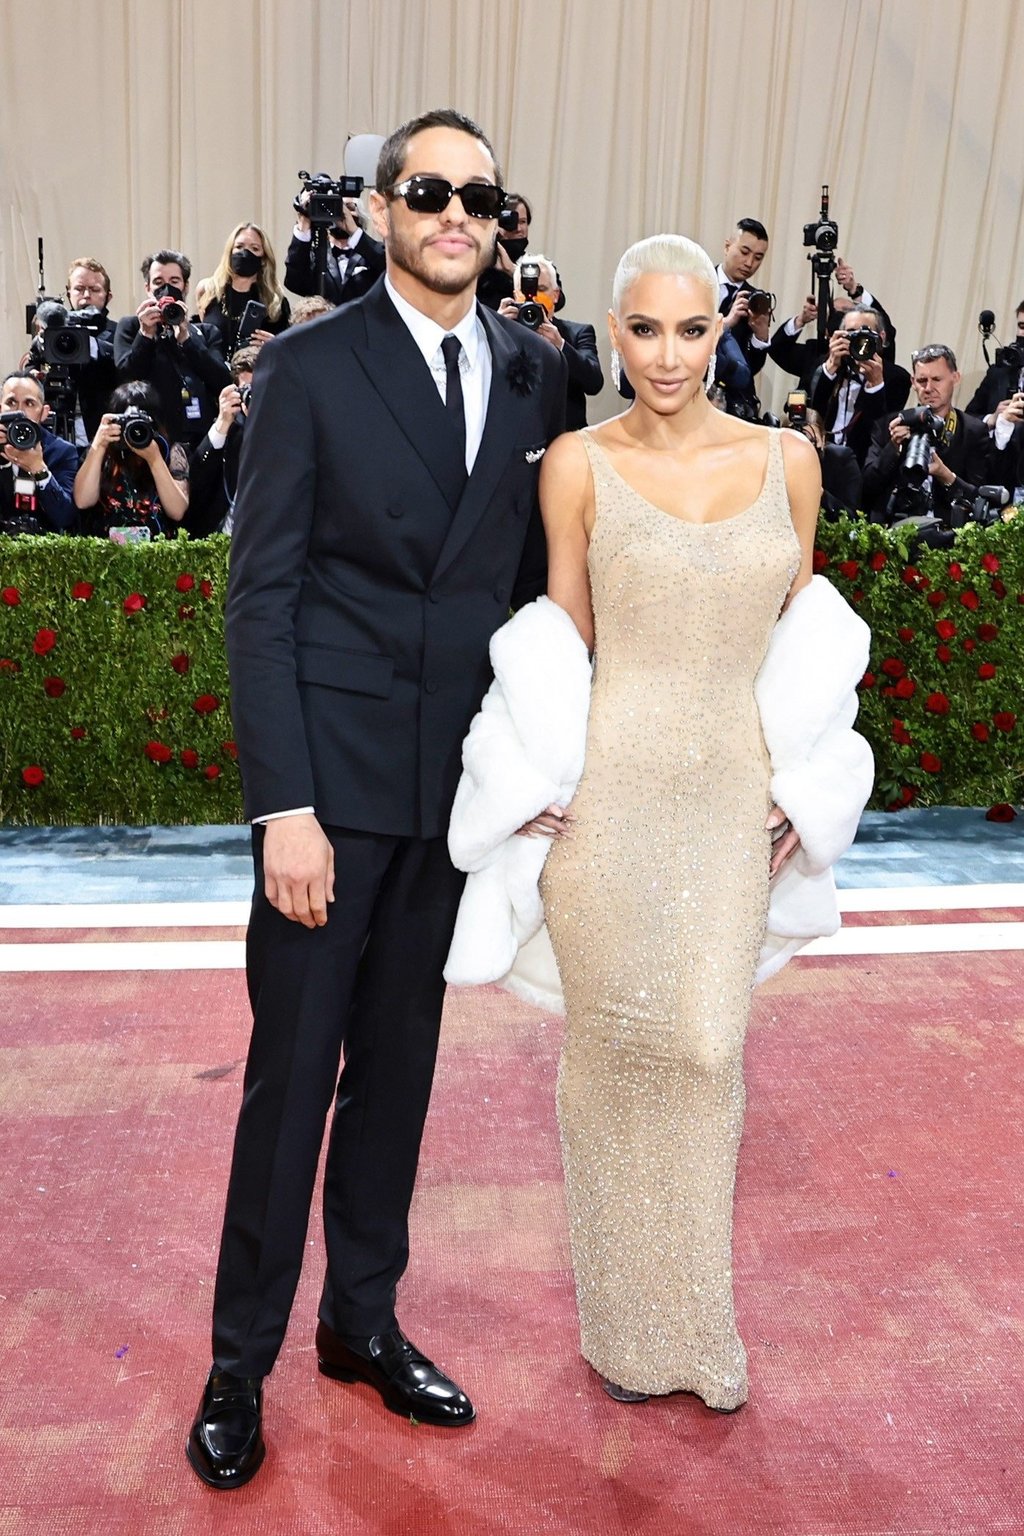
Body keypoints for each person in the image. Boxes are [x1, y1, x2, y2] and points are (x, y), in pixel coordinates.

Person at [186, 107, 565, 1491]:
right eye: (430, 190)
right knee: (292, 1086)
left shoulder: (537, 371)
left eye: (481, 196)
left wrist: (541, 766)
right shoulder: (306, 366)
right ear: (381, 210)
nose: (458, 214)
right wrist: (282, 806)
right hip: (331, 798)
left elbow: (533, 596)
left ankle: (361, 1323)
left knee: (399, 1077)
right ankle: (238, 1366)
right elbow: (261, 599)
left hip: (452, 795)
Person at [533, 234, 820, 1411]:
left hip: (727, 798)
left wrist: (808, 780)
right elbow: (562, 640)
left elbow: (806, 647)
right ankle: (625, 1330)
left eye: (690, 329)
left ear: (720, 331)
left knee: (704, 1050)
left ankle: (695, 1329)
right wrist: (531, 779)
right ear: (614, 334)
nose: (666, 354)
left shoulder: (788, 460)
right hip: (608, 800)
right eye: (644, 329)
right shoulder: (576, 463)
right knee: (613, 1060)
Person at [113, 250, 230, 450]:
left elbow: (222, 380)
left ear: (185, 286)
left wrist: (187, 339)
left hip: (200, 438)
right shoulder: (130, 327)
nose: (166, 289)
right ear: (148, 288)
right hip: (151, 437)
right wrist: (145, 335)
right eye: (158, 282)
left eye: (174, 281)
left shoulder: (206, 332)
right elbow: (126, 376)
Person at [862, 343, 992, 521]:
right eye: (922, 381)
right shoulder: (889, 425)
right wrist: (892, 448)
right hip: (894, 526)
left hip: (948, 529)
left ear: (955, 378)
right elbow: (867, 488)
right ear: (913, 382)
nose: (928, 388)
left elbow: (979, 499)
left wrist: (945, 475)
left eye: (937, 379)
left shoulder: (973, 431)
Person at [498, 254, 603, 429]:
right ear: (515, 295)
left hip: (564, 435)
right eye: (526, 291)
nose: (533, 297)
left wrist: (560, 345)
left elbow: (594, 383)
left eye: (541, 289)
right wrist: (495, 329)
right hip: (514, 433)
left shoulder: (577, 333)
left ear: (556, 295)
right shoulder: (501, 332)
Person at [73, 380, 188, 538]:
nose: (135, 428)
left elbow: (177, 511)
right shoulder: (103, 450)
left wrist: (155, 460)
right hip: (107, 549)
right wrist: (99, 446)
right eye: (127, 421)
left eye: (141, 421)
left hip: (157, 548)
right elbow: (82, 501)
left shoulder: (169, 451)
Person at [808, 306, 911, 466]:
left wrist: (875, 385)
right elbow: (813, 412)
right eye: (851, 333)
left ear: (881, 338)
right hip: (820, 459)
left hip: (862, 466)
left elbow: (880, 432)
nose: (858, 340)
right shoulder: (827, 365)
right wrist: (830, 369)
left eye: (865, 333)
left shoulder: (897, 378)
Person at [185, 347, 257, 536]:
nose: (255, 397)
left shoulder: (290, 428)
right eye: (248, 390)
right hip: (227, 536)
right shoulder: (231, 429)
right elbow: (197, 480)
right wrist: (222, 423)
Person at [195, 223, 290, 357]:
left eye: (254, 248)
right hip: (214, 368)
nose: (245, 253)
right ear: (230, 252)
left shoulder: (276, 302)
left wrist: (274, 346)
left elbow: (288, 352)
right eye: (239, 247)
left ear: (263, 258)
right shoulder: (208, 290)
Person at [0, 370, 78, 533]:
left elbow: (65, 517)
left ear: (44, 412)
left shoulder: (61, 451)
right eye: (11, 402)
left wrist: (38, 468)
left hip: (44, 543)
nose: (19, 411)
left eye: (29, 403)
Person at [284, 193, 385, 307]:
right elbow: (294, 282)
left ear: (360, 215)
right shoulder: (315, 256)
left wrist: (354, 232)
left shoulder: (372, 252)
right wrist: (303, 225)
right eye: (335, 207)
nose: (342, 212)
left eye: (349, 207)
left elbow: (388, 267)